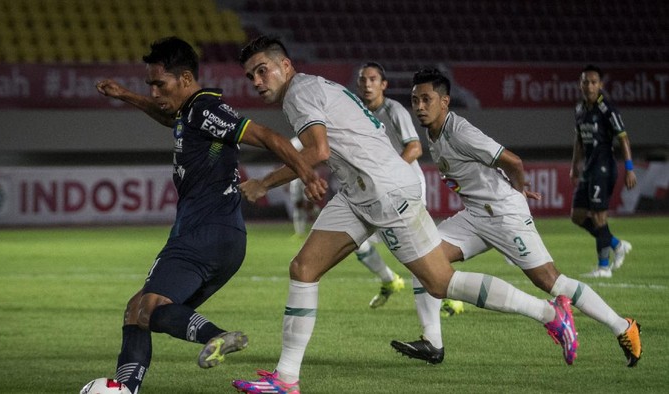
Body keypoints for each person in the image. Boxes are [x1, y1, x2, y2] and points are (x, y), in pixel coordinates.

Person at [231, 35, 578, 394]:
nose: (257, 81)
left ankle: (551, 314)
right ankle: (286, 380)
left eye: (262, 71)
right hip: (359, 193)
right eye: (250, 76)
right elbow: (329, 146)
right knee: (303, 269)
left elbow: (318, 150)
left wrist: (264, 183)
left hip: (385, 192)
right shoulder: (309, 88)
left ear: (285, 66)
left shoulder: (300, 93)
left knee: (440, 283)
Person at [93, 36, 326, 394]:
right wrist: (126, 95)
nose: (155, 92)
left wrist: (306, 173)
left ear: (185, 79)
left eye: (160, 84)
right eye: (150, 85)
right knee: (140, 310)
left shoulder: (205, 110)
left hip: (202, 234)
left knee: (148, 308)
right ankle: (126, 387)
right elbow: (168, 117)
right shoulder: (191, 113)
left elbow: (266, 136)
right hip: (221, 237)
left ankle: (214, 336)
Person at [390, 68, 642, 368]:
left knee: (550, 281)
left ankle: (623, 327)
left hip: (504, 213)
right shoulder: (434, 131)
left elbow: (512, 160)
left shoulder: (459, 131)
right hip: (475, 216)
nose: (419, 106)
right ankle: (433, 342)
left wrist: (519, 189)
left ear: (444, 101)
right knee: (425, 261)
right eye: (415, 100)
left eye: (426, 100)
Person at [354, 62, 465, 317]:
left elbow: (415, 148)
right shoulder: (358, 111)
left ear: (384, 85)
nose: (367, 84)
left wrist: (389, 171)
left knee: (418, 250)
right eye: (363, 80)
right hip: (377, 189)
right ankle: (389, 279)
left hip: (405, 185)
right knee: (355, 240)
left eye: (373, 79)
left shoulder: (394, 110)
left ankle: (453, 296)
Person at [570, 64, 637, 278]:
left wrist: (629, 168)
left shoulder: (607, 108)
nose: (589, 86)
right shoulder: (579, 110)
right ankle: (617, 244)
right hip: (588, 168)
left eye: (593, 82)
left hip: (604, 167)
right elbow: (579, 140)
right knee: (578, 215)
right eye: (585, 82)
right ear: (580, 84)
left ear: (600, 85)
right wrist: (574, 166)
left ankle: (603, 267)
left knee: (599, 217)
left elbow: (623, 137)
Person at [286, 137, 320, 239]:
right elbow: (288, 160)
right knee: (298, 204)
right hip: (295, 177)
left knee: (310, 204)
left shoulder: (309, 141)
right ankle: (299, 232)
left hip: (309, 175)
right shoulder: (293, 141)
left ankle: (322, 225)